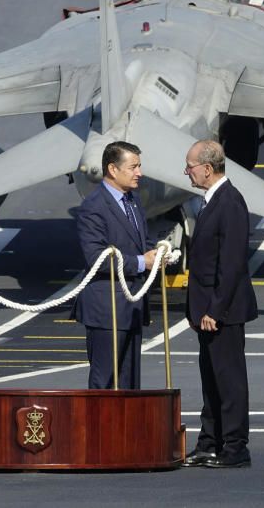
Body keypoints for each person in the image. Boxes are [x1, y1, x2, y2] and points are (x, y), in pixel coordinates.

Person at [182, 139, 258, 469]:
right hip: (206, 311)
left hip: (221, 312)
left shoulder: (230, 203)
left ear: (208, 169)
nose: (187, 172)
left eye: (191, 166)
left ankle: (235, 446)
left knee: (229, 381)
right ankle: (208, 442)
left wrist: (215, 309)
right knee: (211, 379)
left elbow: (231, 264)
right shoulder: (212, 201)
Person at [72, 141, 157, 389]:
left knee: (130, 383)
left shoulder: (133, 200)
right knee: (105, 382)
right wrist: (143, 262)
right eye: (133, 167)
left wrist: (155, 253)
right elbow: (96, 257)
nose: (139, 172)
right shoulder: (93, 207)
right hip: (106, 309)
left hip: (132, 306)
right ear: (113, 169)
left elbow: (142, 239)